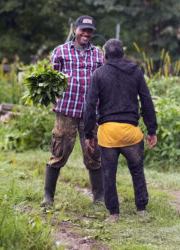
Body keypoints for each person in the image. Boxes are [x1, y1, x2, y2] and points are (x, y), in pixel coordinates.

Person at [84, 39, 157, 222]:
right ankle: (141, 210)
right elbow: (146, 101)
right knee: (137, 171)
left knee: (109, 173)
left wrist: (88, 134)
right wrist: (151, 130)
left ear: (104, 55)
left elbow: (90, 106)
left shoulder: (98, 74)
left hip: (108, 134)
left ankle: (114, 214)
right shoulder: (135, 71)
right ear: (123, 54)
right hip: (131, 132)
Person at [41, 15, 104, 207]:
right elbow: (51, 80)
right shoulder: (60, 52)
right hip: (66, 110)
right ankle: (48, 197)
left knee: (94, 155)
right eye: (83, 30)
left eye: (90, 31)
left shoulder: (99, 54)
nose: (87, 33)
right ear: (75, 29)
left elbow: (104, 81)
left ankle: (99, 198)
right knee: (59, 153)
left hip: (91, 113)